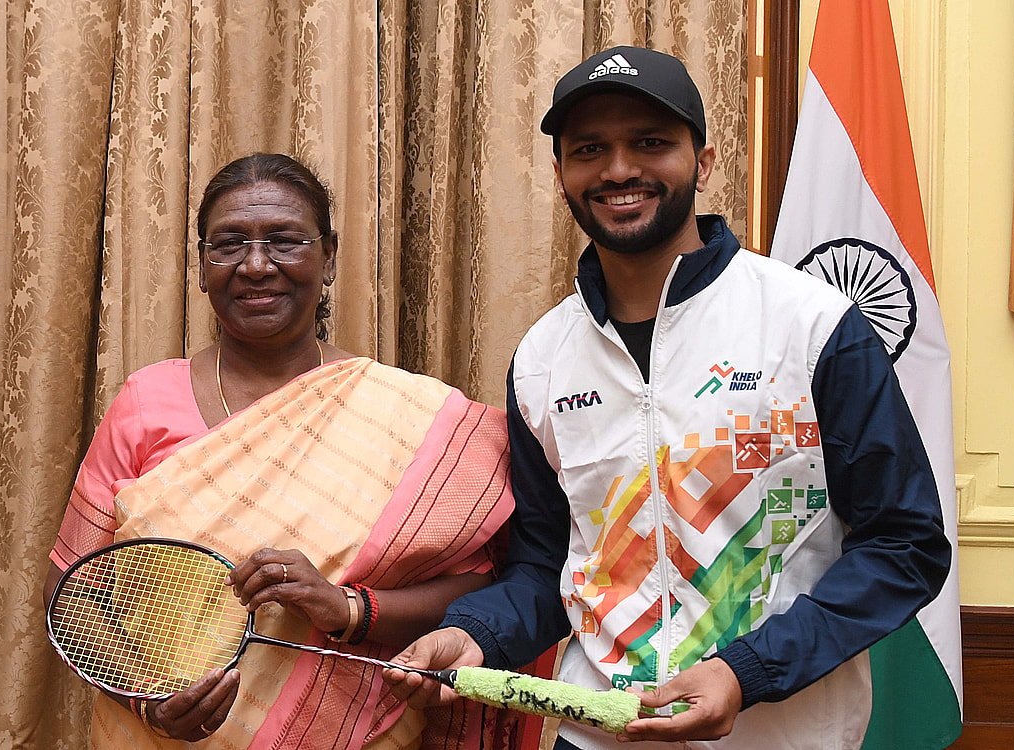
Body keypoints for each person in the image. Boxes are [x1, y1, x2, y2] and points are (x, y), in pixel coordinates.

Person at [384, 46, 951, 750]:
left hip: (781, 735)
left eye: (650, 143)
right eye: (591, 149)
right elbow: (544, 567)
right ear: (561, 175)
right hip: (596, 734)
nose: (620, 169)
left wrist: (745, 672)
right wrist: (474, 633)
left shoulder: (815, 327)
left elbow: (906, 545)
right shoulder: (541, 360)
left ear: (704, 161)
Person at [43, 153, 520, 750]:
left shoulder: (410, 415)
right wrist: (146, 699)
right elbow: (71, 591)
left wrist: (347, 608)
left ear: (329, 260)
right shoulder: (145, 400)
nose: (257, 265)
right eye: (229, 244)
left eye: (286, 241)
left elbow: (478, 587)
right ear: (201, 266)